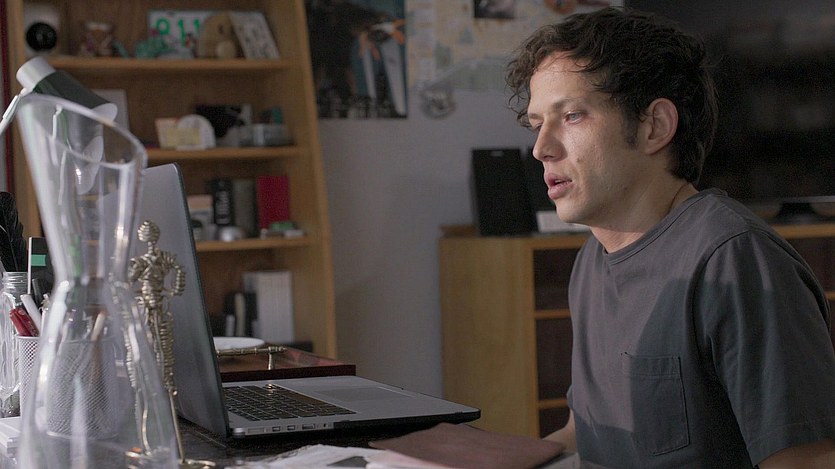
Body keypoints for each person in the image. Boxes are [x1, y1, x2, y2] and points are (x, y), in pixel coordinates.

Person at [505, 7, 835, 468]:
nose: (541, 148)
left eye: (572, 116)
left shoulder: (735, 260)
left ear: (654, 126)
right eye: (537, 124)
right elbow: (585, 431)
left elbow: (807, 461)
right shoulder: (593, 259)